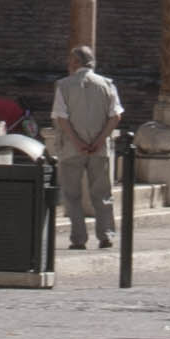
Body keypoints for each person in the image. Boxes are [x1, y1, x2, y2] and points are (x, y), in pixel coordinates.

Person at [52, 47, 122, 249]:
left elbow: (61, 117)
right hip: (99, 149)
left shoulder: (63, 85)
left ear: (75, 62)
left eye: (70, 60)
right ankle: (106, 234)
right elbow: (115, 115)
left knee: (72, 195)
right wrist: (100, 140)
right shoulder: (107, 85)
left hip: (72, 149)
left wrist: (76, 141)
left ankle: (79, 238)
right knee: (101, 193)